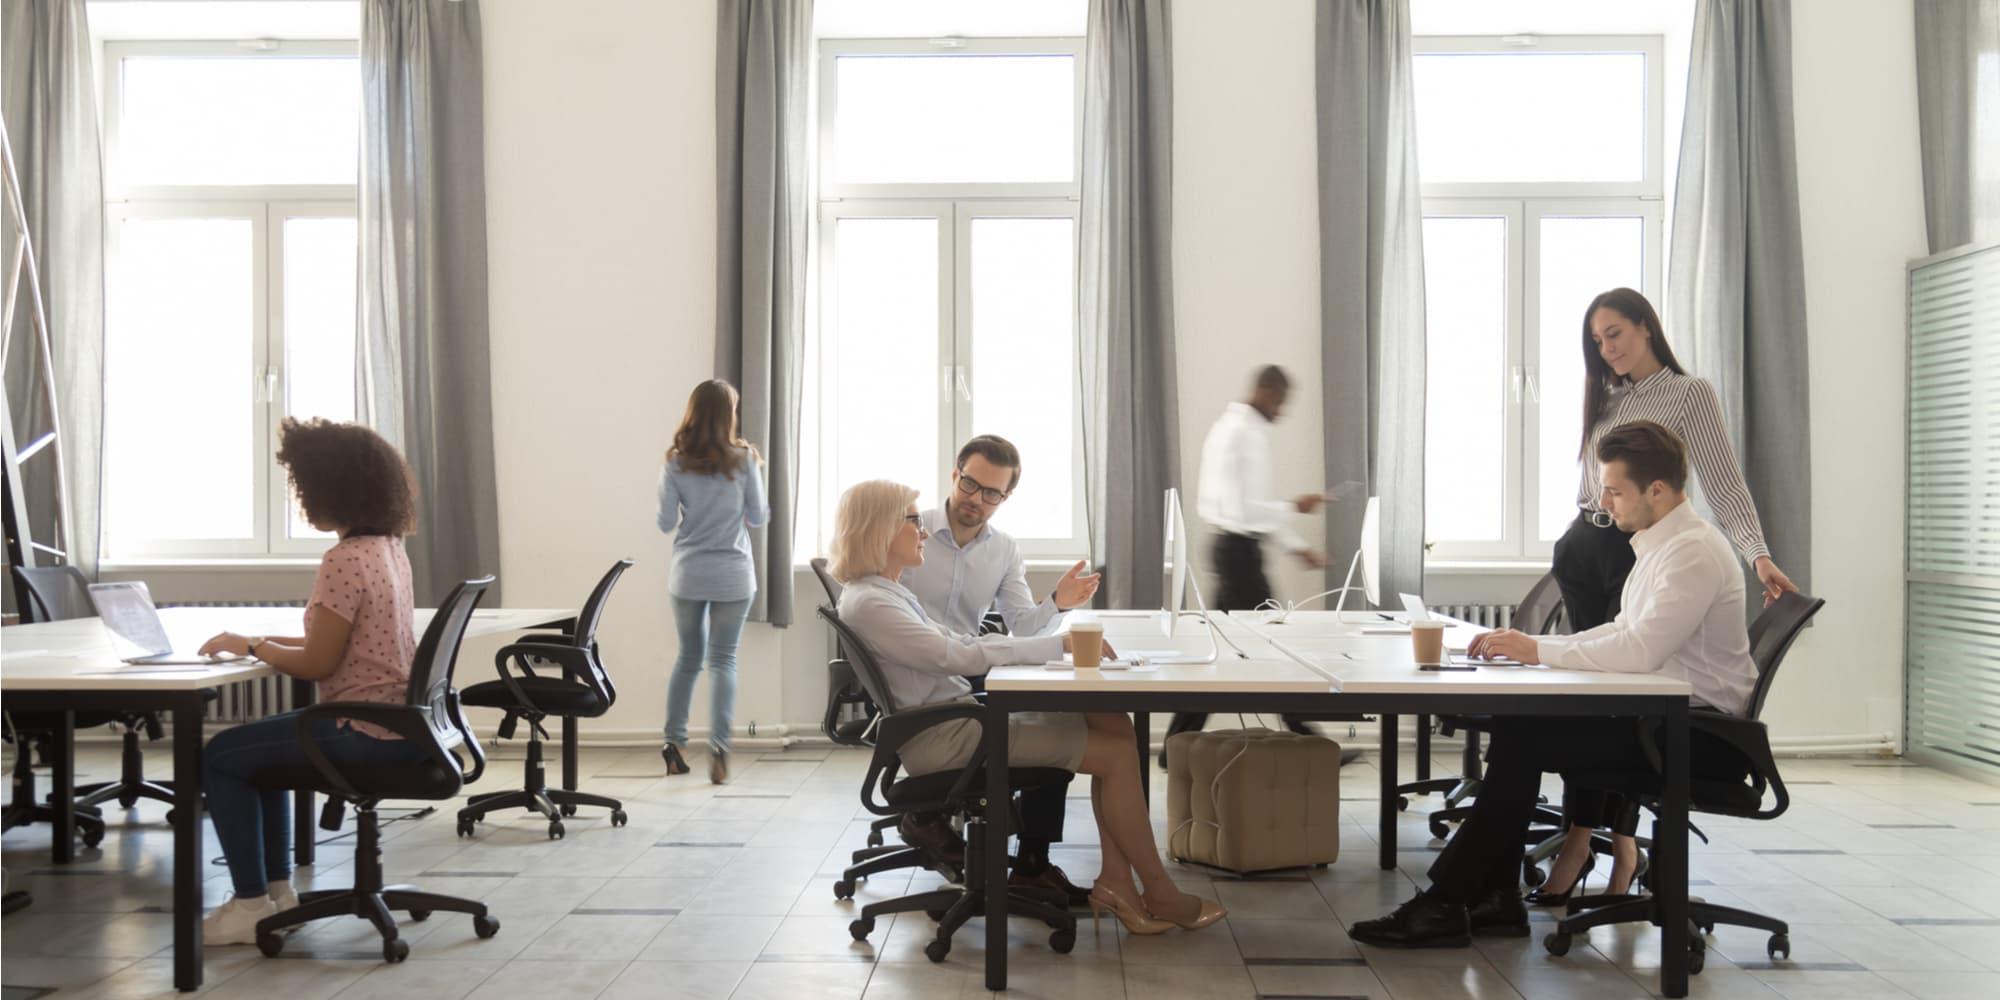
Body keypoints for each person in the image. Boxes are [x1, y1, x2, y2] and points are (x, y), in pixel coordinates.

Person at [1349, 421, 1757, 948]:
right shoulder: (1660, 545)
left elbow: (1639, 651)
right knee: (1522, 723)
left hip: (1699, 738)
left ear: (1657, 490)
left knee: (1524, 736)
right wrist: (1537, 649)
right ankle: (1491, 897)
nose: (1605, 503)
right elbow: (1623, 632)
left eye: (1614, 490)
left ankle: (1448, 902)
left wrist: (1537, 649)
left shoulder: (1692, 553)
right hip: (1666, 720)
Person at [831, 480, 1225, 934]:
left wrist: (1049, 645)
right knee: (1118, 753)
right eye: (914, 521)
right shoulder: (874, 603)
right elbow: (956, 657)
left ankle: (1118, 883)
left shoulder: (885, 591)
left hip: (955, 721)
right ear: (881, 528)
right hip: (947, 739)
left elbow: (958, 643)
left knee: (1111, 723)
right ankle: (1159, 891)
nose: (923, 531)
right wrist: (1054, 647)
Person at [1541, 288, 1800, 896]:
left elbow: (1725, 483)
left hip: (1634, 553)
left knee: (1621, 689)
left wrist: (1757, 554)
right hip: (1586, 543)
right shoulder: (1606, 396)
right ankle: (1620, 848)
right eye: (1598, 341)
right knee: (1594, 693)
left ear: (1646, 328)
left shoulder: (1689, 393)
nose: (1607, 350)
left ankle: (1586, 844)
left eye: (1616, 335)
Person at [194, 418, 434, 945]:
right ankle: (277, 895)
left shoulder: (344, 559)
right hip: (399, 723)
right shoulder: (389, 549)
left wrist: (254, 646)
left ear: (332, 489)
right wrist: (262, 641)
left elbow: (319, 665)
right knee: (259, 752)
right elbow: (339, 646)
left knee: (222, 754)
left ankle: (252, 901)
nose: (301, 498)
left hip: (359, 728)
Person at [899, 435, 1103, 906]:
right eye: (971, 484)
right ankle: (929, 812)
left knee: (1053, 714)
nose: (978, 499)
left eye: (993, 493)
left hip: (967, 666)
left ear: (1006, 497)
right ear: (955, 474)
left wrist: (1056, 602)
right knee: (1044, 725)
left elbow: (1022, 624)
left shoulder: (1004, 550)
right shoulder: (913, 531)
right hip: (919, 672)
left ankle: (1033, 861)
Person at [1162, 365, 1329, 768]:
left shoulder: (1228, 426)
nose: (1282, 410)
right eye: (1281, 401)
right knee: (1271, 642)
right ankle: (1307, 739)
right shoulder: (1246, 433)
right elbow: (1246, 511)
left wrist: (1294, 545)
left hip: (1231, 547)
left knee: (1219, 649)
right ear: (1265, 390)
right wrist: (1296, 508)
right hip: (1238, 553)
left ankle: (1175, 743)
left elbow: (1245, 515)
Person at [658, 379, 770, 785]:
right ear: (729, 414)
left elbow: (666, 522)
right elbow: (758, 516)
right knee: (723, 660)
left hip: (688, 573)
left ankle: (673, 745)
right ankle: (720, 748)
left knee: (688, 659)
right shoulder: (744, 460)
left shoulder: (675, 461)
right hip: (733, 575)